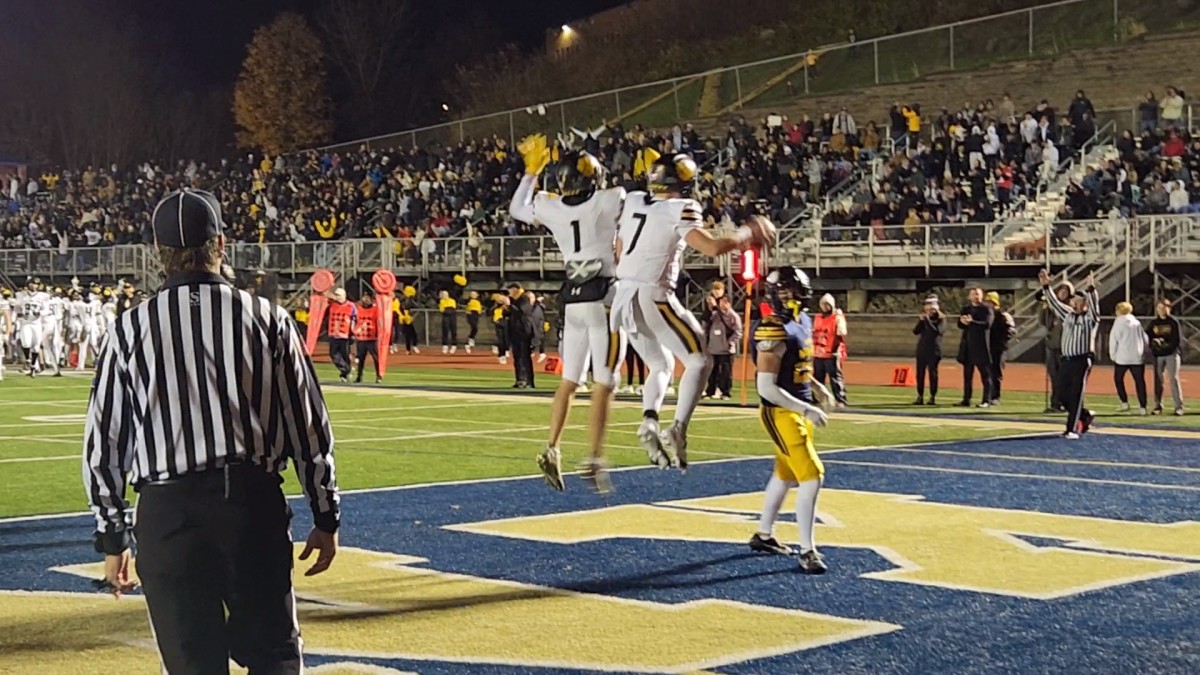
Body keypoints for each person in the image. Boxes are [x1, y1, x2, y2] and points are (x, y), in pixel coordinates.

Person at [83, 188, 339, 674]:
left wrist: (112, 535)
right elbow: (307, 427)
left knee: (191, 665)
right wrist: (325, 514)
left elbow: (105, 444)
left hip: (169, 513)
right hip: (250, 504)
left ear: (159, 256)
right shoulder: (268, 319)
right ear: (220, 244)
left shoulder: (129, 330)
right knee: (274, 658)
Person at [610, 151, 773, 470]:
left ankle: (649, 421)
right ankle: (679, 428)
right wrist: (746, 234)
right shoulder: (681, 207)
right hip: (652, 293)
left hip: (623, 295)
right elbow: (710, 247)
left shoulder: (633, 200)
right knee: (700, 360)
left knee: (661, 364)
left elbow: (618, 249)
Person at [509, 138, 627, 492]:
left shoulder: (552, 207)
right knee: (606, 382)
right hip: (604, 298)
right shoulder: (610, 199)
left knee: (570, 381)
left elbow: (517, 208)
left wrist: (531, 173)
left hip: (572, 300)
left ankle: (552, 446)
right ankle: (594, 456)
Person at [747, 266, 832, 574]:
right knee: (813, 474)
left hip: (798, 406)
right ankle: (807, 550)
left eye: (792, 290)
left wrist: (817, 388)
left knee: (785, 474)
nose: (789, 296)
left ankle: (764, 534)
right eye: (782, 291)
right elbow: (765, 387)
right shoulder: (773, 327)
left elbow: (799, 365)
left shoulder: (804, 321)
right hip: (780, 411)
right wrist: (806, 408)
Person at [1039, 269, 1099, 438]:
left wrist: (1091, 290)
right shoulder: (1068, 315)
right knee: (1061, 394)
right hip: (1067, 360)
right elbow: (1054, 303)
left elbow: (1095, 309)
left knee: (1076, 393)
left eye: (1079, 301)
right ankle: (1085, 415)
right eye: (1075, 301)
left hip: (1081, 360)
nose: (1075, 303)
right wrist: (1046, 286)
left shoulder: (1090, 319)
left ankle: (1071, 429)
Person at [956, 287, 994, 408]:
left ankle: (986, 400)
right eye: (973, 294)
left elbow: (987, 324)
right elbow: (960, 325)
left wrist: (972, 322)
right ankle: (966, 399)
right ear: (969, 296)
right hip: (967, 346)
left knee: (985, 374)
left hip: (981, 346)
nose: (975, 296)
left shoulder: (986, 309)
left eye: (977, 294)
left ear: (981, 296)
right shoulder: (966, 309)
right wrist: (963, 322)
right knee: (967, 375)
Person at [1109, 301, 1148, 414]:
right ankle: (1142, 406)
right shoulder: (1136, 323)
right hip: (1136, 357)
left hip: (1122, 358)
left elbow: (1113, 340)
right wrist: (1143, 351)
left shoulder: (1118, 323)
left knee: (1118, 379)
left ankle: (1124, 402)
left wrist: (1113, 355)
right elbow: (1144, 338)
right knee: (1139, 381)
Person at [1147, 299, 1184, 415]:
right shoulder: (1154, 323)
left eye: (1164, 307)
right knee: (1158, 381)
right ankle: (1158, 406)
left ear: (1169, 308)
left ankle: (1178, 406)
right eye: (1159, 308)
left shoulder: (1173, 322)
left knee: (1173, 379)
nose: (1161, 310)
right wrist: (1154, 345)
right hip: (1158, 356)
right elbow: (1148, 336)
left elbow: (1177, 339)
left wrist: (1165, 345)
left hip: (1171, 354)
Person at [1040, 283, 1072, 412]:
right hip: (1051, 345)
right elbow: (1042, 322)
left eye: (1065, 291)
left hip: (1064, 347)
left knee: (1064, 377)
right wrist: (1044, 309)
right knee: (1053, 376)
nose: (1062, 293)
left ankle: (1064, 402)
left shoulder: (1069, 308)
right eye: (1060, 291)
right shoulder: (1050, 309)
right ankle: (1055, 402)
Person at [812, 293, 848, 408]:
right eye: (822, 304)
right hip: (818, 352)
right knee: (817, 378)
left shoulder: (836, 318)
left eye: (827, 305)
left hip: (831, 352)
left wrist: (840, 322)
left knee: (835, 378)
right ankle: (817, 398)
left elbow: (842, 332)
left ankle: (840, 399)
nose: (824, 307)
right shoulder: (818, 318)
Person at [703, 295, 742, 400]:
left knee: (726, 371)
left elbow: (738, 332)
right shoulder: (715, 314)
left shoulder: (733, 316)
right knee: (712, 371)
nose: (722, 304)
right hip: (713, 347)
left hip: (726, 350)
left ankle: (725, 392)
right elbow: (706, 322)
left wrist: (729, 342)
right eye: (721, 302)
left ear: (729, 303)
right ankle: (710, 390)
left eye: (725, 302)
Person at [984, 291, 1016, 405]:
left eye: (990, 302)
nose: (988, 304)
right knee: (988, 371)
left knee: (995, 371)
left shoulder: (1003, 316)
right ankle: (988, 395)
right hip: (987, 347)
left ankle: (995, 396)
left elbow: (1011, 331)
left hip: (999, 348)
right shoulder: (985, 314)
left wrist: (1002, 341)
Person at [912, 295, 944, 405]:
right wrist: (921, 321)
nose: (928, 309)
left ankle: (932, 396)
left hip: (934, 350)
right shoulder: (924, 319)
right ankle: (920, 396)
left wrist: (928, 320)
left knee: (933, 374)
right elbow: (915, 331)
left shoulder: (941, 320)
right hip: (922, 349)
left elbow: (935, 331)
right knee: (920, 374)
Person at [505, 282, 537, 388]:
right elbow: (509, 314)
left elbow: (522, 311)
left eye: (510, 289)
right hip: (515, 332)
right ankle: (519, 380)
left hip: (524, 332)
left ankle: (529, 381)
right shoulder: (515, 300)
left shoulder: (524, 298)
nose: (509, 292)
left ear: (515, 289)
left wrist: (510, 305)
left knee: (525, 357)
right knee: (517, 357)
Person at [326, 287, 356, 382]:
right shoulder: (332, 305)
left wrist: (353, 332)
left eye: (339, 295)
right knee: (333, 354)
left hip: (345, 334)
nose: (337, 297)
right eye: (336, 295)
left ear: (344, 296)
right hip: (334, 333)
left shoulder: (351, 306)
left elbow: (354, 319)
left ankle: (344, 374)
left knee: (345, 354)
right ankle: (346, 369)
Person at [353, 290, 382, 384]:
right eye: (364, 297)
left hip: (371, 338)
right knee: (360, 358)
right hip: (361, 337)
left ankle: (379, 375)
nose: (365, 300)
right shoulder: (358, 308)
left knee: (376, 358)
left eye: (367, 298)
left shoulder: (375, 309)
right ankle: (359, 376)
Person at [438, 290, 458, 354]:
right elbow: (442, 310)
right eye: (443, 295)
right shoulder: (441, 301)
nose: (444, 296)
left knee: (453, 331)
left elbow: (453, 309)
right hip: (445, 317)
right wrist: (448, 310)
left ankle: (454, 345)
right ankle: (445, 346)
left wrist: (447, 309)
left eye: (445, 294)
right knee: (445, 331)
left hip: (452, 317)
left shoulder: (452, 300)